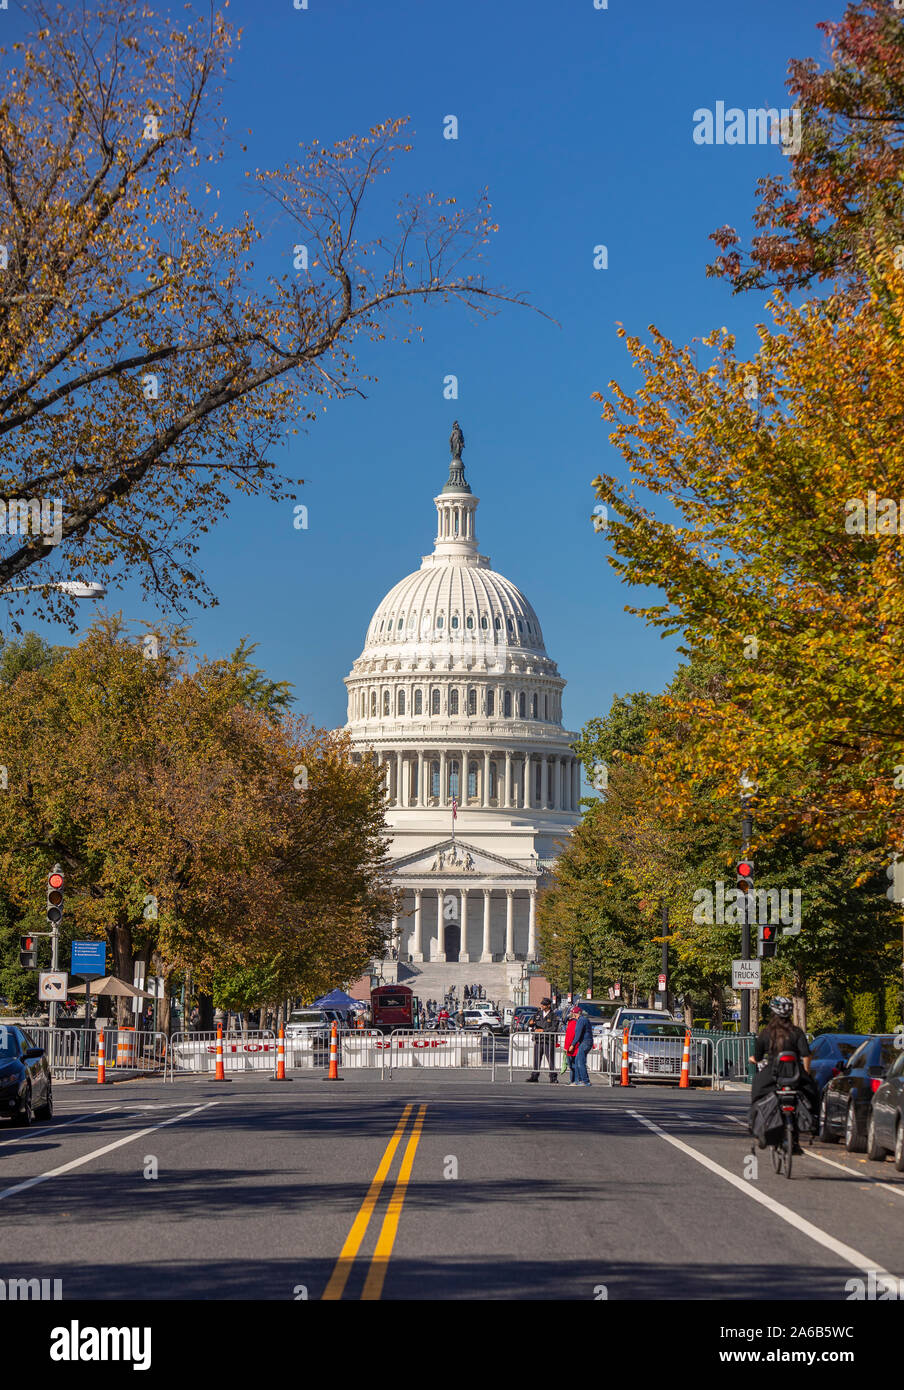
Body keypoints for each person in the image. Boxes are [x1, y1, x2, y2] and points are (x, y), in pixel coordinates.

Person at [749, 997, 816, 1153]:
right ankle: (813, 1124)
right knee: (812, 1092)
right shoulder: (797, 1032)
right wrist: (806, 1073)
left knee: (757, 1092)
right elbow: (806, 1055)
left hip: (773, 1075)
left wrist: (753, 1059)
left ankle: (756, 1125)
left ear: (773, 1013)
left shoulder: (766, 1033)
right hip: (795, 1074)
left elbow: (758, 1057)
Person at [526, 997, 558, 1083]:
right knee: (536, 1059)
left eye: (544, 1004)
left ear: (548, 1005)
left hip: (548, 1040)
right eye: (542, 1004)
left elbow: (554, 1028)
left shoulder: (553, 1015)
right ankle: (534, 1076)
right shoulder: (538, 1013)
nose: (542, 1006)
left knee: (550, 1060)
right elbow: (530, 1023)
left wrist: (543, 1031)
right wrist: (530, 1023)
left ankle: (553, 1077)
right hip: (538, 1040)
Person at [569, 1004, 593, 1086]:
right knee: (577, 1061)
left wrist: (572, 1044)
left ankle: (585, 1081)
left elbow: (578, 1034)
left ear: (575, 1014)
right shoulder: (584, 1019)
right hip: (586, 1042)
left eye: (572, 1014)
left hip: (585, 1042)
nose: (572, 1016)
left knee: (580, 1062)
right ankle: (577, 1080)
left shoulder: (581, 1020)